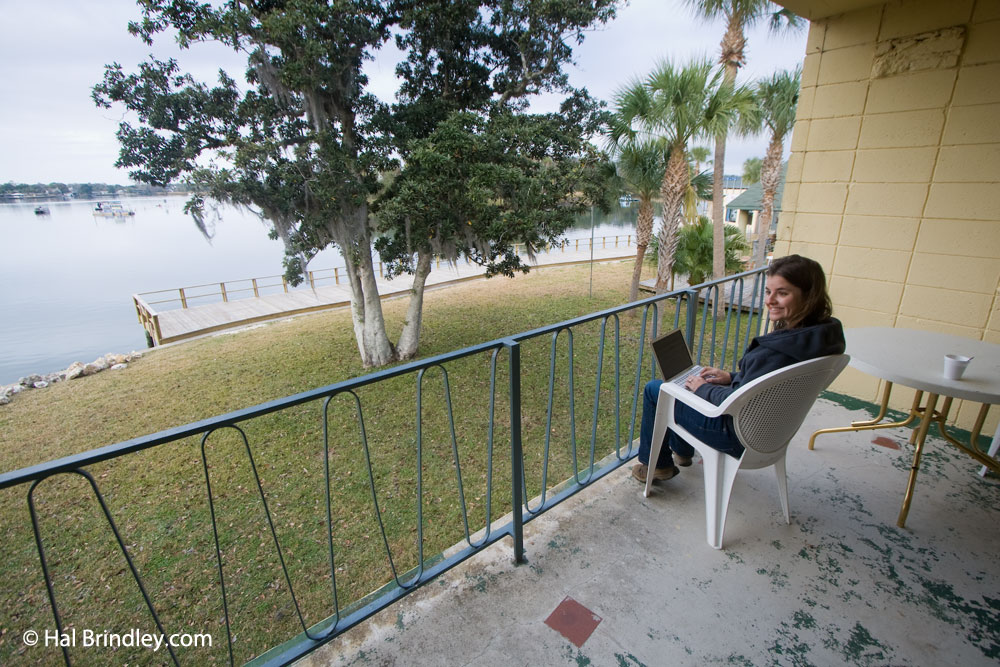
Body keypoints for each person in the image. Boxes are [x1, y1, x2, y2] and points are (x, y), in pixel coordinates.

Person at [632, 254, 846, 484]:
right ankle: (683, 452)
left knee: (657, 389)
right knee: (684, 388)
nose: (770, 300)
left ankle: (657, 466)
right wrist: (731, 377)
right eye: (768, 291)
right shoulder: (822, 337)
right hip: (772, 433)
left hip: (737, 435)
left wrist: (703, 388)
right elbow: (768, 384)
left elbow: (738, 400)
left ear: (809, 296)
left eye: (782, 293)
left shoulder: (777, 351)